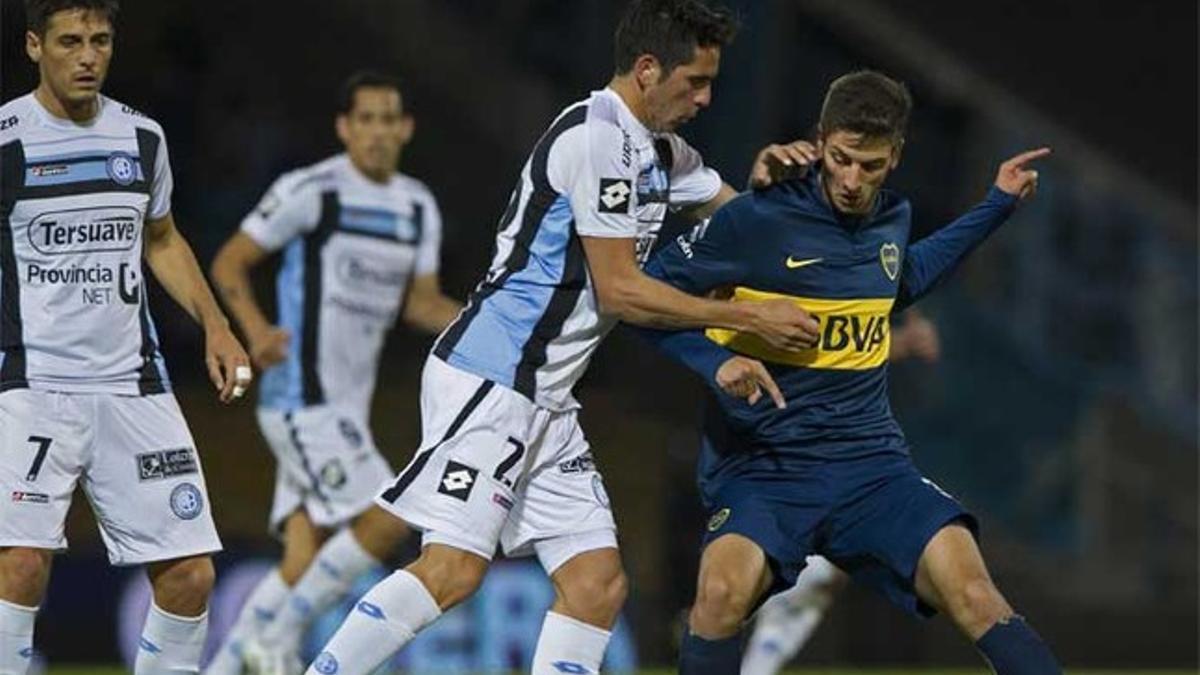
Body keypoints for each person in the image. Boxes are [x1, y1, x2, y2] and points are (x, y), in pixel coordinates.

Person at [304, 1, 823, 674]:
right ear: (646, 70)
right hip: (495, 378)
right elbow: (621, 289)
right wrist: (752, 320)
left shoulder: (661, 152)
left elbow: (738, 220)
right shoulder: (596, 138)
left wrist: (764, 187)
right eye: (694, 81)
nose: (705, 97)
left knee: (597, 583)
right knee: (453, 570)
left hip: (546, 396)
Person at [638, 70, 1061, 674]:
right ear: (820, 140)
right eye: (841, 160)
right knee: (719, 597)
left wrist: (995, 206)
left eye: (871, 165)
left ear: (897, 156)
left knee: (977, 596)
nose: (853, 180)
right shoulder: (759, 219)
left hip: (870, 467)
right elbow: (642, 296)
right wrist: (717, 357)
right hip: (766, 468)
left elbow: (902, 280)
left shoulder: (893, 218)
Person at [0, 1, 252, 673]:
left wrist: (217, 324)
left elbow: (162, 238)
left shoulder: (142, 139)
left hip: (133, 384)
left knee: (191, 575)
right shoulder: (6, 141)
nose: (87, 56)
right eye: (70, 41)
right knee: (20, 563)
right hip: (32, 384)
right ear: (34, 46)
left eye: (101, 41)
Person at [204, 72, 461, 675]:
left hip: (348, 405)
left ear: (406, 129)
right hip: (301, 398)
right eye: (364, 119)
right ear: (345, 128)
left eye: (387, 119)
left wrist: (490, 323)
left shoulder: (416, 205)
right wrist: (255, 330)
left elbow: (421, 304)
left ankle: (226, 668)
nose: (376, 131)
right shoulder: (313, 190)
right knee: (389, 515)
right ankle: (282, 639)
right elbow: (230, 261)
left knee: (301, 557)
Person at [741, 309, 941, 675]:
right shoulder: (807, 278)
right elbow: (830, 345)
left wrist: (908, 332)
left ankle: (749, 642)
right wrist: (908, 339)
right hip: (796, 445)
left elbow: (854, 340)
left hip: (843, 446)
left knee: (818, 578)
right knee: (809, 570)